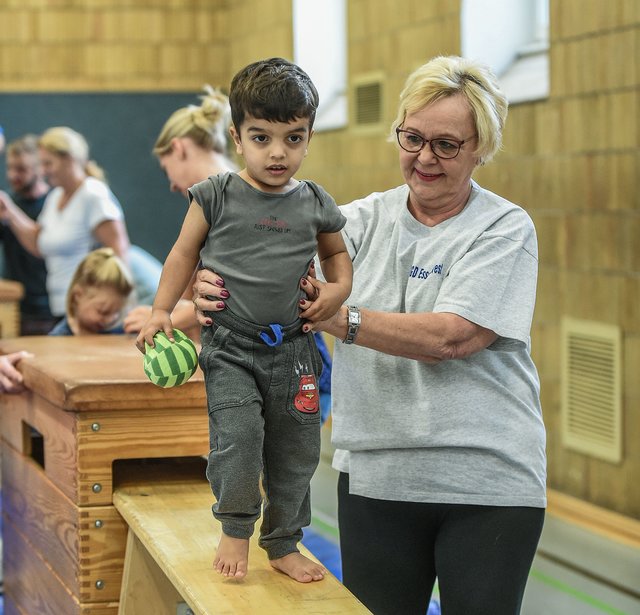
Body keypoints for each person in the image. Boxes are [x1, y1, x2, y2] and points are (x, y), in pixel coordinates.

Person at [191, 55, 547, 615]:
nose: (425, 157)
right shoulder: (354, 222)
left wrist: (340, 318)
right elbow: (265, 276)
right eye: (412, 138)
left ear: (482, 148)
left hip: (484, 483)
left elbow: (452, 337)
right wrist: (208, 285)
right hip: (377, 479)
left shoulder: (503, 228)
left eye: (447, 145)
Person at [137, 58, 353, 583]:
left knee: (298, 451)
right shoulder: (215, 195)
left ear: (307, 137)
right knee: (238, 439)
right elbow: (181, 256)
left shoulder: (315, 201)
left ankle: (282, 541)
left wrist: (337, 291)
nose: (278, 152)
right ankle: (235, 527)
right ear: (237, 137)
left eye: (293, 138)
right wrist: (161, 310)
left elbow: (336, 258)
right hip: (231, 346)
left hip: (296, 351)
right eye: (261, 137)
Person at [123, 85, 237, 340]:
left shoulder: (234, 199)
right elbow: (191, 293)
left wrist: (164, 317)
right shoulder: (207, 204)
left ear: (178, 148)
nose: (172, 185)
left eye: (166, 170)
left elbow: (240, 292)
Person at [0, 126, 130, 321]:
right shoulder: (56, 197)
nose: (43, 171)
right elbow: (38, 243)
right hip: (61, 309)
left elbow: (119, 252)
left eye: (48, 164)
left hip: (90, 312)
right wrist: (9, 211)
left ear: (69, 159)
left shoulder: (93, 194)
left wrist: (111, 306)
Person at [0, 134, 58, 334]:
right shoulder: (7, 202)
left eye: (21, 169)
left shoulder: (56, 202)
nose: (12, 175)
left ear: (40, 168)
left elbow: (40, 243)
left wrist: (11, 213)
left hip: (48, 308)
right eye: (9, 168)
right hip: (15, 305)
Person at [49, 247, 133, 336]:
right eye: (103, 312)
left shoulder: (120, 333)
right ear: (78, 295)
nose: (110, 320)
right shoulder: (59, 338)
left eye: (117, 312)